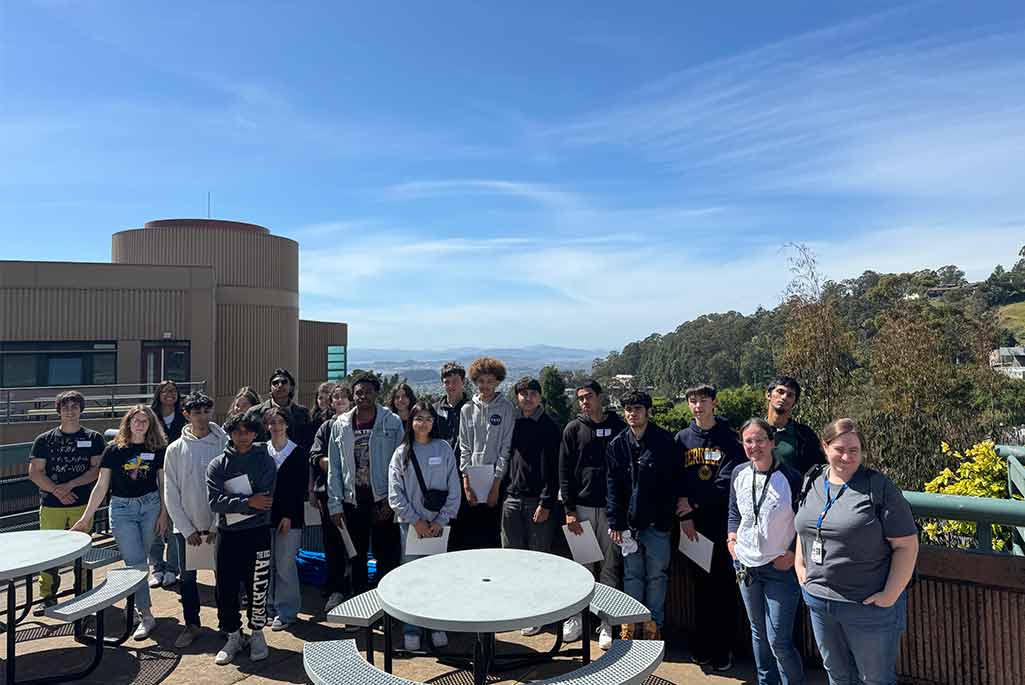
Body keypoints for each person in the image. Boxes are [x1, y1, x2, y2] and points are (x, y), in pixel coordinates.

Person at [794, 419, 918, 685]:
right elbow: (803, 527)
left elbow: (906, 545)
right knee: (837, 675)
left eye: (854, 450)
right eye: (840, 448)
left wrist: (889, 595)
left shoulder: (879, 487)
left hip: (867, 606)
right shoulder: (812, 479)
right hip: (819, 601)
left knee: (874, 679)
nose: (847, 456)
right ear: (825, 447)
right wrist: (800, 566)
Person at [72, 405, 170, 641]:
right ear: (128, 423)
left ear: (150, 425)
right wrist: (86, 517)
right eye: (136, 421)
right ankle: (146, 615)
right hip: (122, 508)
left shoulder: (157, 449)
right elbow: (101, 486)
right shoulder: (114, 450)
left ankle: (136, 602)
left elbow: (163, 484)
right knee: (135, 562)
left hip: (150, 506)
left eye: (145, 421)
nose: (140, 425)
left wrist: (164, 514)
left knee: (141, 560)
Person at [727, 418, 805, 685]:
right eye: (748, 440)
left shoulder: (792, 478)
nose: (754, 446)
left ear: (772, 443)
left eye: (760, 440)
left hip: (779, 568)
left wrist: (794, 552)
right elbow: (734, 511)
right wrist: (731, 539)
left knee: (779, 640)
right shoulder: (738, 473)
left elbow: (804, 522)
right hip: (745, 566)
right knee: (758, 631)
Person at [675, 383, 746, 670]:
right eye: (692, 401)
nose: (697, 406)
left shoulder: (729, 439)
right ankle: (702, 644)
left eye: (703, 400)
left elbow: (727, 481)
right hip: (692, 527)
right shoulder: (681, 439)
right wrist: (685, 515)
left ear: (714, 403)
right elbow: (676, 479)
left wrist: (694, 503)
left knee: (724, 588)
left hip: (721, 523)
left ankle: (723, 648)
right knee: (700, 589)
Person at [606, 390, 686, 641]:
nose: (632, 414)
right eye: (628, 409)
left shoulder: (665, 442)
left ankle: (653, 623)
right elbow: (612, 486)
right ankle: (630, 623)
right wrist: (615, 521)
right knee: (632, 575)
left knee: (657, 575)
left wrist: (665, 517)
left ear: (648, 412)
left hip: (657, 524)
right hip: (628, 526)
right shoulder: (617, 445)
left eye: (637, 409)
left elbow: (675, 483)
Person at [387, 401, 461, 651]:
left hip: (439, 526)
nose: (424, 423)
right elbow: (395, 494)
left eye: (429, 418)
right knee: (411, 577)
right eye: (419, 418)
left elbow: (454, 488)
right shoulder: (401, 453)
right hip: (410, 526)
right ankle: (412, 628)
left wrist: (440, 520)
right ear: (411, 422)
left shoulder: (444, 448)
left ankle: (437, 624)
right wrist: (415, 520)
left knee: (438, 576)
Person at [559, 379, 627, 646]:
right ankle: (577, 617)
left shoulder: (619, 427)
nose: (584, 402)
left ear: (600, 397)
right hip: (582, 509)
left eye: (588, 396)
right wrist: (569, 510)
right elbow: (564, 473)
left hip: (612, 511)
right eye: (580, 398)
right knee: (583, 568)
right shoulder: (573, 429)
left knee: (610, 568)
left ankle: (606, 622)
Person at [206, 409, 277, 665]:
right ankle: (233, 635)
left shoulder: (265, 460)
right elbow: (215, 502)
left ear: (255, 433)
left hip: (257, 533)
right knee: (225, 588)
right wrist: (248, 501)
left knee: (257, 585)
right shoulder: (217, 464)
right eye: (237, 431)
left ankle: (257, 633)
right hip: (228, 535)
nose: (242, 435)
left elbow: (266, 499)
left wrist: (238, 503)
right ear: (230, 434)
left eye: (247, 431)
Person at [28, 390, 105, 615]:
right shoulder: (44, 440)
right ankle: (48, 596)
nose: (70, 412)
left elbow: (97, 470)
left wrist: (69, 486)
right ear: (59, 411)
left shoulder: (93, 438)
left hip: (82, 504)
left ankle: (82, 593)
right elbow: (35, 472)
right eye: (65, 407)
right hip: (52, 505)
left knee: (82, 550)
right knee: (48, 551)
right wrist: (57, 491)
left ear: (81, 410)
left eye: (74, 407)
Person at [327, 373, 404, 594]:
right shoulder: (340, 425)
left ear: (376, 393)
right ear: (353, 395)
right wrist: (335, 505)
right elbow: (335, 467)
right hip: (353, 502)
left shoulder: (391, 422)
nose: (363, 396)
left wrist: (392, 501)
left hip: (382, 500)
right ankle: (359, 608)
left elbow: (400, 466)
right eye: (359, 392)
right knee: (356, 557)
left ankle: (385, 610)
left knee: (385, 558)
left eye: (368, 392)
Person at [163, 391, 227, 648]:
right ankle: (192, 625)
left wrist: (215, 524)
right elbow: (170, 491)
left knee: (223, 577)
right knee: (187, 579)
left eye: (205, 411)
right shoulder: (175, 449)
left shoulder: (223, 443)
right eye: (196, 412)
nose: (201, 417)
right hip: (185, 529)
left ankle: (227, 625)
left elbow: (229, 486)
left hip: (218, 526)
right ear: (186, 415)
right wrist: (186, 527)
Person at [501, 377, 561, 636]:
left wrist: (546, 501)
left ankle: (539, 612)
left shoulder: (549, 426)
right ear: (517, 397)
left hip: (538, 502)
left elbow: (555, 468)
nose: (527, 398)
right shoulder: (511, 423)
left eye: (532, 393)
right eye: (523, 393)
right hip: (512, 499)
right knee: (513, 559)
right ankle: (517, 609)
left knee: (539, 560)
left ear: (540, 396)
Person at [458, 356, 515, 550]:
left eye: (490, 381)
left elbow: (505, 449)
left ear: (497, 381)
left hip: (497, 483)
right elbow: (464, 447)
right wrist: (466, 483)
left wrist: (496, 485)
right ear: (474, 382)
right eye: (481, 381)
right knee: (472, 537)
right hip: (472, 482)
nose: (485, 385)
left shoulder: (507, 408)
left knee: (493, 536)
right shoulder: (466, 409)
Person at [309, 383, 353, 611]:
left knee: (355, 544)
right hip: (329, 495)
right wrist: (334, 465)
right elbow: (315, 455)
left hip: (356, 496)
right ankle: (336, 588)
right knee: (333, 543)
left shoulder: (360, 425)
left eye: (344, 397)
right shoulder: (326, 427)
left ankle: (354, 587)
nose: (339, 401)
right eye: (335, 398)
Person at [264, 406, 307, 631]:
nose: (276, 427)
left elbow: (299, 490)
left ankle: (287, 611)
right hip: (265, 518)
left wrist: (288, 515)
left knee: (285, 565)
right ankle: (269, 608)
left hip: (290, 519)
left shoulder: (298, 453)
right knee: (267, 564)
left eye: (280, 422)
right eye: (271, 422)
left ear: (287, 424)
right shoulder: (262, 451)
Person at [149, 380, 187, 589]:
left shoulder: (184, 415)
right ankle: (156, 566)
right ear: (158, 394)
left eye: (173, 390)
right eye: (164, 391)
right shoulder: (150, 415)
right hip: (152, 473)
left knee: (174, 521)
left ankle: (173, 567)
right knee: (154, 520)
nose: (169, 394)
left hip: (177, 473)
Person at [433, 362, 470, 550]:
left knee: (464, 531)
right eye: (447, 381)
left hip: (466, 478)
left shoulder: (473, 408)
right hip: (440, 479)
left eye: (455, 381)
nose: (450, 385)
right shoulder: (434, 409)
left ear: (463, 382)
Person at [765, 377, 826, 476]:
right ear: (768, 395)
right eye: (780, 391)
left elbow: (818, 469)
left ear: (794, 403)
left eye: (790, 395)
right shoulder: (753, 431)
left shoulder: (805, 435)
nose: (784, 397)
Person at [255, 368, 312, 450]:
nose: (280, 385)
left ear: (291, 387)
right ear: (270, 389)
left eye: (284, 382)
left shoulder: (303, 413)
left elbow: (308, 442)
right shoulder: (255, 413)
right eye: (275, 383)